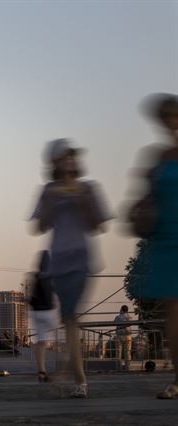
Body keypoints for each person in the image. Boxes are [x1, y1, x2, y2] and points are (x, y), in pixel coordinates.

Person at [31, 138, 111, 398]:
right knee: (69, 320)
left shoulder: (88, 188)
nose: (69, 160)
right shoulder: (48, 190)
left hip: (81, 258)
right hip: (59, 262)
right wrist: (53, 200)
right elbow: (38, 226)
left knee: (72, 317)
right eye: (63, 157)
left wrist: (83, 201)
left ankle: (73, 376)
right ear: (54, 162)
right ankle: (77, 378)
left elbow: (99, 224)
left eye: (71, 156)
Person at [130, 93, 178, 399]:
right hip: (164, 242)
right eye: (165, 118)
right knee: (173, 315)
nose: (169, 123)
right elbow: (143, 199)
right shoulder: (157, 157)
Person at [28, 251, 57, 383]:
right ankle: (69, 369)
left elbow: (26, 295)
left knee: (41, 342)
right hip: (48, 312)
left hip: (35, 312)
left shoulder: (33, 276)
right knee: (65, 333)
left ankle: (42, 371)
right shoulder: (51, 275)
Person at [114, 305, 133, 370]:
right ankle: (128, 367)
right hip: (128, 335)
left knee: (118, 351)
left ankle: (118, 367)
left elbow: (114, 323)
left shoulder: (118, 317)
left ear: (121, 309)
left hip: (119, 335)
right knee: (127, 352)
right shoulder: (129, 317)